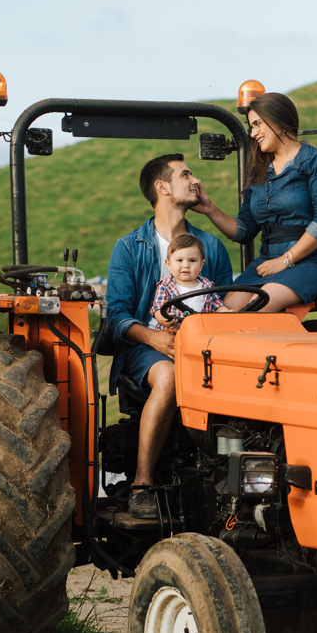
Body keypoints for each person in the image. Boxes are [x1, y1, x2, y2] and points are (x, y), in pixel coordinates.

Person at [107, 154, 233, 518]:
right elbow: (117, 316)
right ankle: (142, 484)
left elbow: (223, 303)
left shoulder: (210, 247)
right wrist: (156, 339)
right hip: (148, 346)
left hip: (204, 344)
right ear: (162, 188)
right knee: (169, 376)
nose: (195, 180)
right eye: (185, 174)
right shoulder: (130, 247)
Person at [192, 92, 317, 312]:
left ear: (278, 120)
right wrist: (210, 209)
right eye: (251, 127)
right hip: (267, 264)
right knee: (221, 311)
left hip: (312, 263)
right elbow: (244, 230)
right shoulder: (259, 171)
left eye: (257, 124)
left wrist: (284, 260)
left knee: (254, 310)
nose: (253, 133)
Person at [149, 234, 230, 331]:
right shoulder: (165, 285)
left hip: (201, 332)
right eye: (179, 260)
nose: (186, 265)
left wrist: (227, 313)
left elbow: (217, 305)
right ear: (169, 264)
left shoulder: (207, 286)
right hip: (173, 334)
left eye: (192, 260)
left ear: (201, 264)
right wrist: (163, 318)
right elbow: (158, 308)